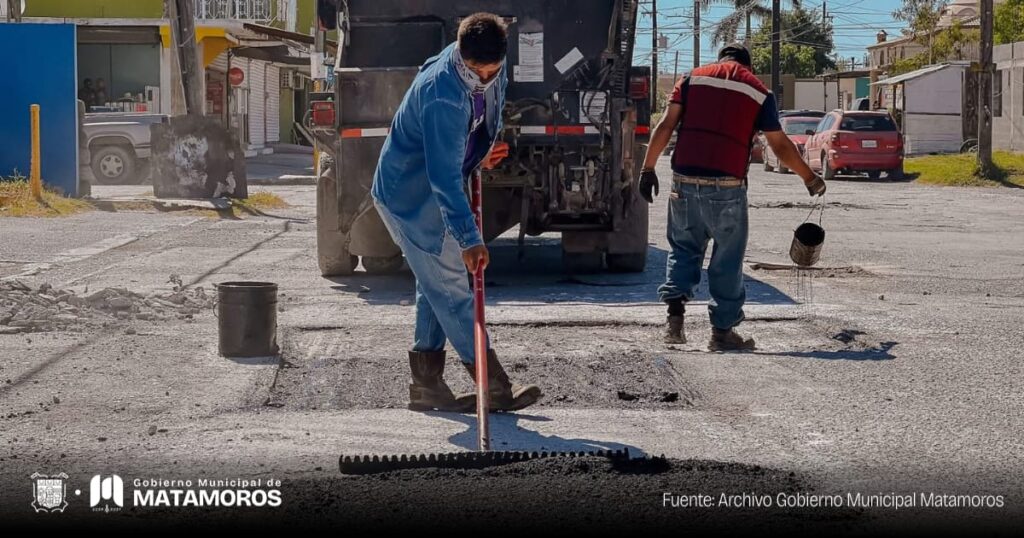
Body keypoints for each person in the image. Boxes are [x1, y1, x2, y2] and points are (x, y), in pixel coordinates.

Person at [371, 13, 542, 412]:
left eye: (491, 71)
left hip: (435, 187)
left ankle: (426, 385)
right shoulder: (442, 94)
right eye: (475, 70)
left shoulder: (489, 67)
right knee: (452, 290)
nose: (483, 78)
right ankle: (494, 385)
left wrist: (481, 152)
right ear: (461, 55)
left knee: (436, 287)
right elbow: (443, 179)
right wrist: (470, 239)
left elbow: (480, 119)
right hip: (410, 198)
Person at [638, 43, 827, 351]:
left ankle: (674, 324)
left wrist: (647, 169)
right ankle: (721, 333)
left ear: (720, 60)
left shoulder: (691, 80)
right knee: (727, 259)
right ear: (748, 66)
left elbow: (666, 124)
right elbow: (779, 146)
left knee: (683, 250)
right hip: (727, 187)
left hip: (684, 181)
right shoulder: (758, 92)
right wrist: (809, 177)